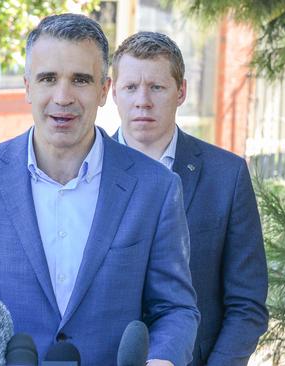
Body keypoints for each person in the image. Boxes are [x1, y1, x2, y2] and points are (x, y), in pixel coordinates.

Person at [0, 14, 200, 366]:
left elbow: (175, 308)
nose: (63, 96)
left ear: (104, 90)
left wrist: (163, 360)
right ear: (27, 85)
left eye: (80, 80)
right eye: (48, 78)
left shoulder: (156, 186)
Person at [111, 32, 269, 366]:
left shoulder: (228, 175)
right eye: (130, 88)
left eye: (157, 87)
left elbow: (247, 303)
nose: (142, 100)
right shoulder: (85, 172)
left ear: (181, 92)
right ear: (112, 91)